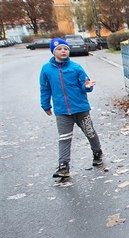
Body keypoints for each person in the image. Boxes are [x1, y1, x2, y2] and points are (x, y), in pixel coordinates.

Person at [40, 38, 103, 178]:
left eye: (66, 49)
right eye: (59, 49)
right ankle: (63, 165)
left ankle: (97, 152)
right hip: (62, 111)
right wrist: (45, 105)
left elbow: (85, 83)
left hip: (80, 108)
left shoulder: (76, 68)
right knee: (64, 138)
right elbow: (45, 88)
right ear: (53, 52)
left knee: (90, 132)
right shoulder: (47, 69)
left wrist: (87, 87)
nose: (63, 51)